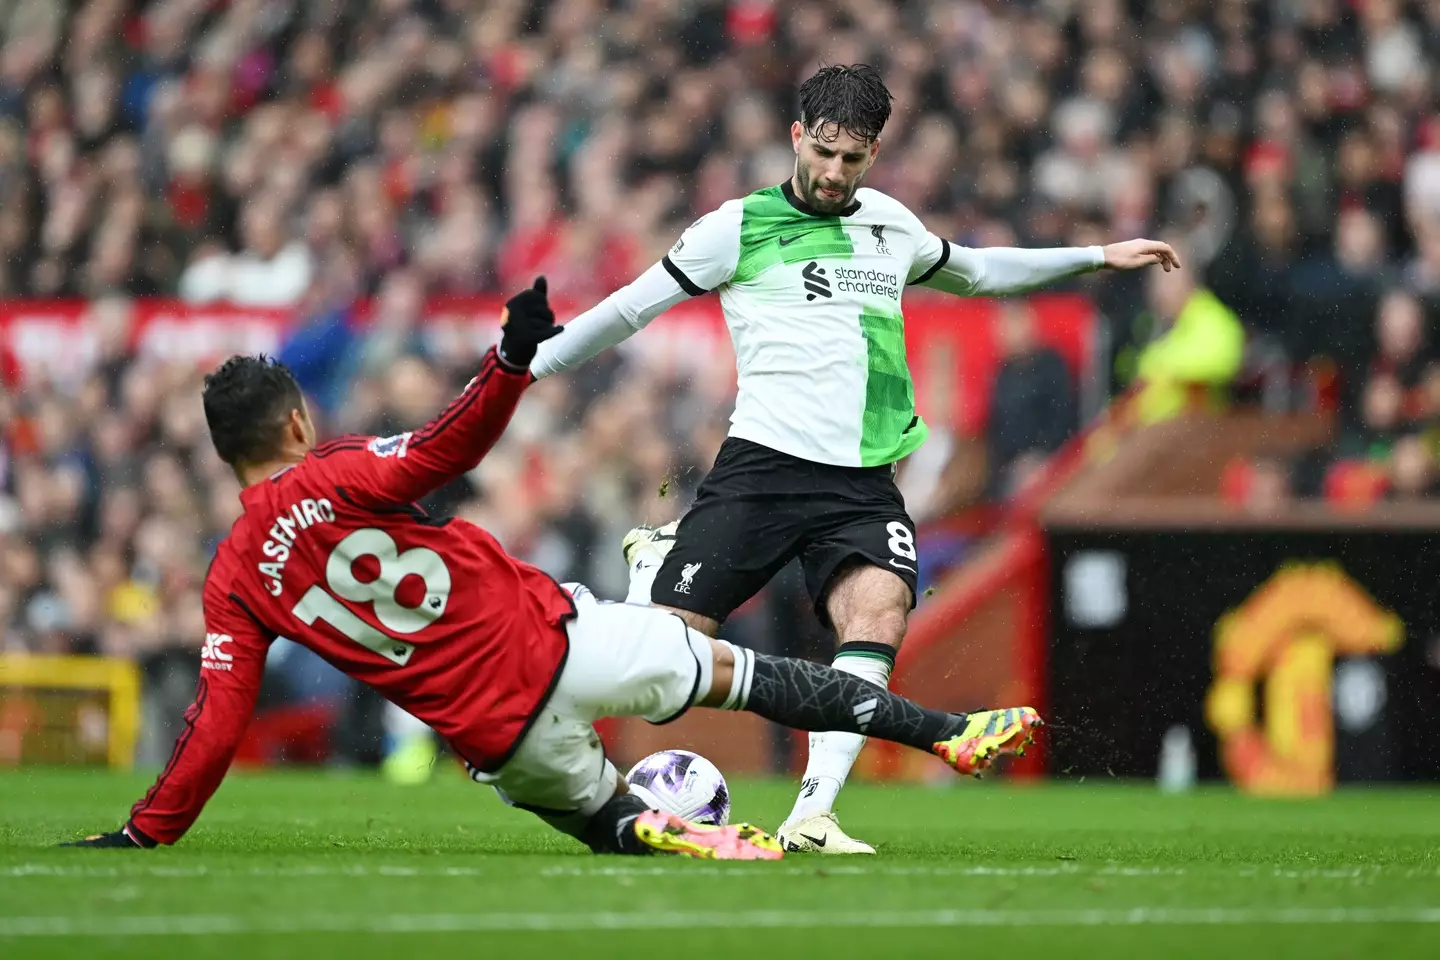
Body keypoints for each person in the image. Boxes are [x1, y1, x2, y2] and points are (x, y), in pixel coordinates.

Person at [61, 277, 1041, 859]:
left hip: (493, 734)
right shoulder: (338, 470)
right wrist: (509, 362)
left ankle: (656, 829)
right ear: (294, 423)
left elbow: (218, 717)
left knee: (601, 818)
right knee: (753, 679)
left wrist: (149, 832)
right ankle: (947, 733)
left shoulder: (233, 573)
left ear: (225, 451)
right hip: (559, 643)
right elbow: (447, 448)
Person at [526, 64, 1176, 853]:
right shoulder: (736, 227)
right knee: (659, 676)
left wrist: (1099, 256)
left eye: (854, 159)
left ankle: (813, 815)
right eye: (825, 153)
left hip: (861, 487)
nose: (835, 173)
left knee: (879, 615)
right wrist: (526, 365)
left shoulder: (891, 226)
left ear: (874, 155)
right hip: (761, 471)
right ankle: (586, 643)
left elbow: (975, 270)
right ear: (797, 138)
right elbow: (630, 309)